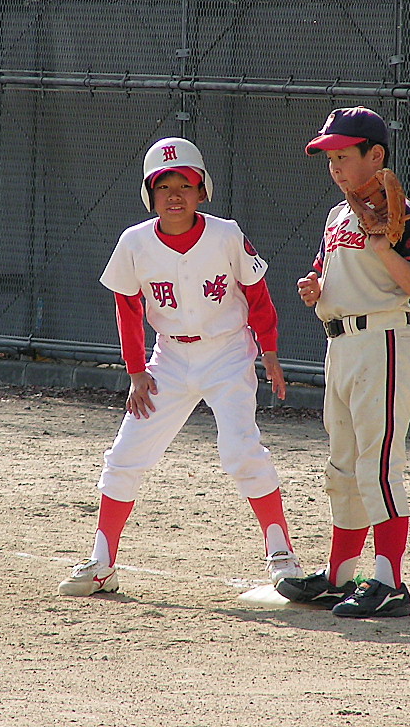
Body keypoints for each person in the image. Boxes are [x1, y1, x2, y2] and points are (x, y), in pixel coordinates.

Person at [58, 136, 304, 597]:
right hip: (168, 357)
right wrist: (136, 371)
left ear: (202, 190)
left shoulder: (226, 234)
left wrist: (268, 350)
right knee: (125, 454)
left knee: (241, 450)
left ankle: (282, 555)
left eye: (185, 185)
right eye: (163, 186)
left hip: (227, 352)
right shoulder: (134, 242)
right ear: (149, 194)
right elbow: (127, 308)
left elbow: (257, 294)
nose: (174, 195)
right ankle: (102, 563)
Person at [275, 107, 410, 617]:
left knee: (378, 464)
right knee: (342, 466)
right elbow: (326, 273)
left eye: (344, 155)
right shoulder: (336, 216)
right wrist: (314, 287)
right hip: (340, 346)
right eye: (330, 158)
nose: (336, 166)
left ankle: (390, 581)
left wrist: (383, 247)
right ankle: (340, 575)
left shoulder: (402, 213)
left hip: (382, 342)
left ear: (376, 155)